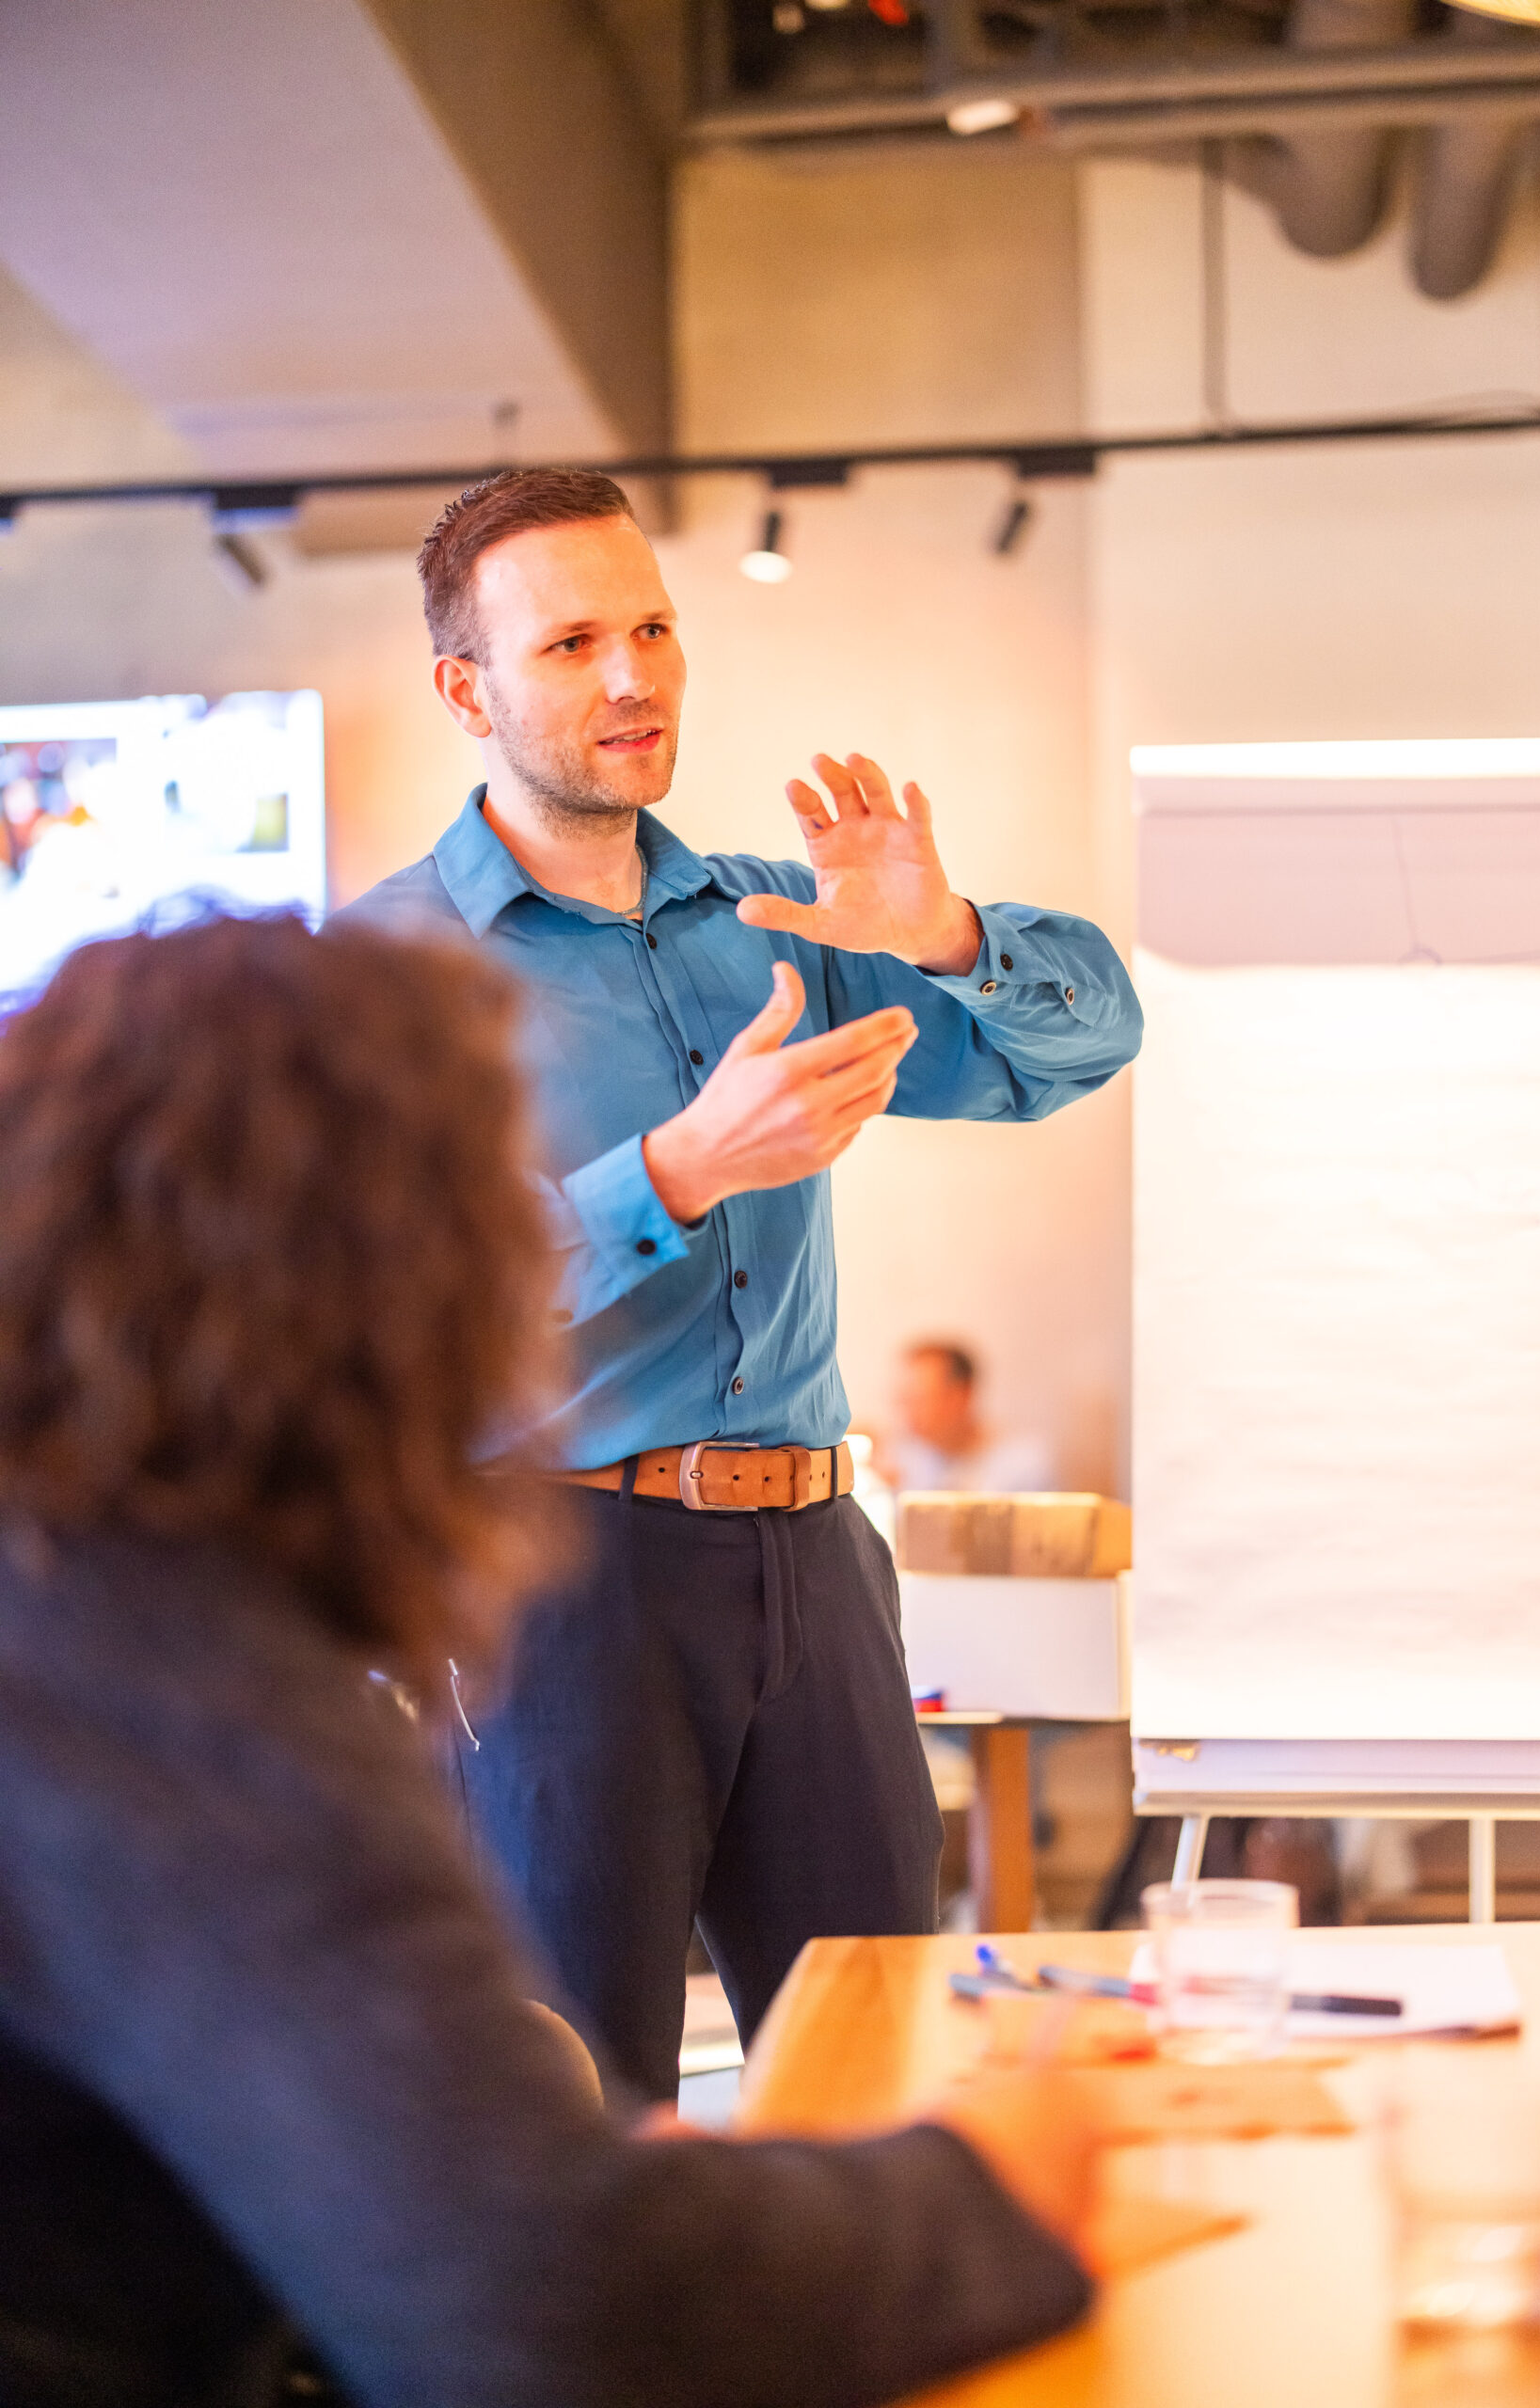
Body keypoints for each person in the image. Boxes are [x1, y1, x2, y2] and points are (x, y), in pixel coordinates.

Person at [0, 911, 1102, 2408]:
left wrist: (616, 2192)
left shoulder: (85, 1608)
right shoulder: (181, 1699)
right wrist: (988, 2184)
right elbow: (560, 2306)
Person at [342, 465, 1144, 2100]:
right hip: (555, 1586)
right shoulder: (380, 971)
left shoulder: (771, 920)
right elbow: (386, 1310)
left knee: (876, 2074)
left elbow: (1077, 1047)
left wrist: (945, 933)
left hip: (816, 1563)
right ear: (466, 692)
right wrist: (673, 1174)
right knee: (581, 2102)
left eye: (650, 629)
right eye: (570, 645)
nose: (630, 677)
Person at [879, 1338, 1056, 1493]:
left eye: (920, 1399)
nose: (907, 1411)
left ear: (962, 1395)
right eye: (904, 1399)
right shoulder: (899, 1461)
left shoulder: (1022, 1465)